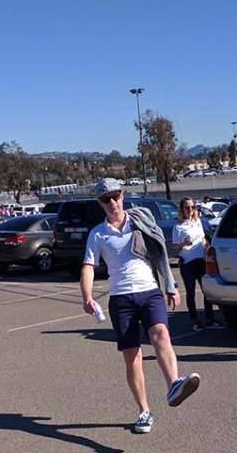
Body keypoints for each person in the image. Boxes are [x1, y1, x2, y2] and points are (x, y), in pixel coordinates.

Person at [80, 178, 200, 434]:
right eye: (105, 199)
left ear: (122, 195)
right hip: (121, 299)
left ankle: (174, 386)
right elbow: (88, 266)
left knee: (161, 334)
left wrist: (170, 285)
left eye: (115, 196)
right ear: (100, 203)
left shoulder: (140, 221)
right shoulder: (98, 234)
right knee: (132, 357)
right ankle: (144, 412)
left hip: (149, 291)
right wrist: (87, 296)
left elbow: (159, 254)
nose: (112, 202)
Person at [172, 197, 222, 331]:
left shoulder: (197, 222)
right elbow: (175, 249)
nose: (190, 210)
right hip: (187, 262)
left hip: (201, 260)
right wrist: (184, 243)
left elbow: (202, 239)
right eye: (187, 208)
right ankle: (194, 320)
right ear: (182, 210)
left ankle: (210, 319)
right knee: (190, 292)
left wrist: (207, 247)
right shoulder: (178, 226)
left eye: (192, 207)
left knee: (206, 291)